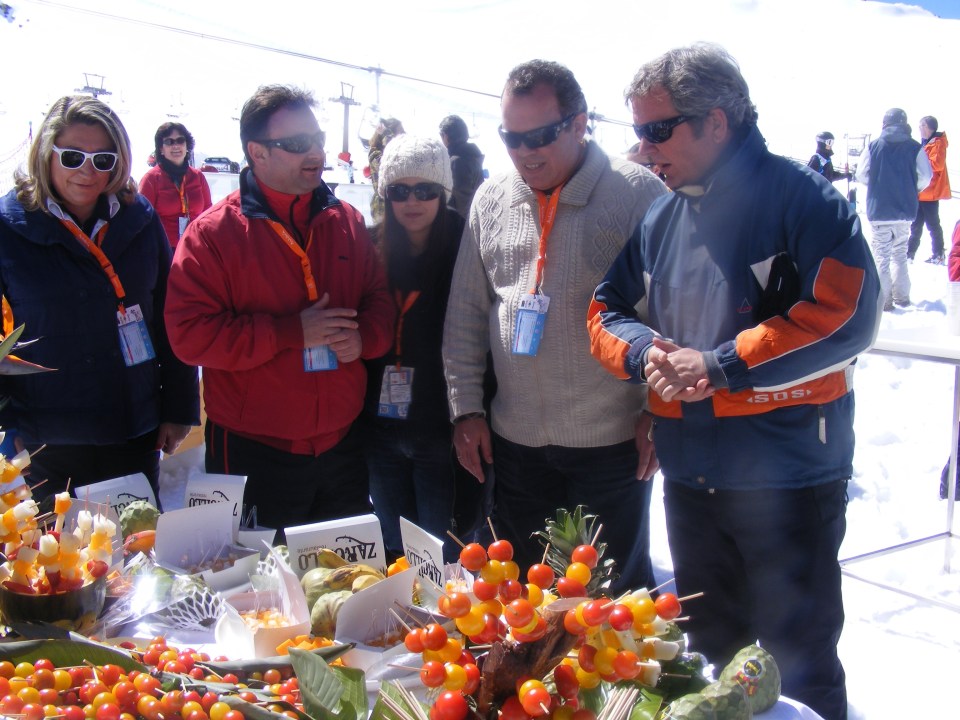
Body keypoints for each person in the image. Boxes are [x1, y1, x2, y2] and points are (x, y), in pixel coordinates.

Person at [587, 43, 881, 720]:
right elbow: (604, 310)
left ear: (716, 122)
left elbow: (847, 316)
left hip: (789, 480)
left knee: (799, 669)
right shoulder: (660, 216)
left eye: (657, 129)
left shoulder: (804, 199)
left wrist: (719, 364)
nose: (643, 148)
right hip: (693, 481)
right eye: (638, 131)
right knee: (711, 665)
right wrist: (645, 353)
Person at [442, 59, 667, 593]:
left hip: (611, 443)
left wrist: (662, 411)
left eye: (540, 135)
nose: (525, 151)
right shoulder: (490, 199)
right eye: (511, 138)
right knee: (527, 597)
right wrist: (466, 409)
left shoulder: (639, 195)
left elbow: (671, 314)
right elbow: (466, 313)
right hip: (516, 444)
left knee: (612, 599)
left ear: (579, 123)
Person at [164, 85, 395, 533]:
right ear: (257, 153)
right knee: (257, 577)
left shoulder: (348, 221)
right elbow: (189, 335)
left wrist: (364, 337)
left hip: (342, 449)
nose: (316, 152)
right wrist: (289, 333)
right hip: (253, 452)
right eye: (297, 143)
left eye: (317, 139)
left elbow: (379, 302)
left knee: (344, 575)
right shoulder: (212, 235)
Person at [0, 95, 199, 501]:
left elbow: (171, 317)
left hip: (132, 428)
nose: (87, 171)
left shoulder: (140, 221)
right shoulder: (8, 228)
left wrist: (179, 408)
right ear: (46, 154)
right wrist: (8, 422)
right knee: (57, 543)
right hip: (45, 440)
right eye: (72, 157)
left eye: (103, 159)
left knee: (138, 539)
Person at [362, 135, 466, 562]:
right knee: (394, 548)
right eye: (399, 191)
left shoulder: (466, 248)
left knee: (444, 552)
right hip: (381, 425)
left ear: (444, 192)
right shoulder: (370, 246)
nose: (412, 201)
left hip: (442, 427)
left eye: (425, 190)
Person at [855, 108, 932, 311]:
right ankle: (902, 297)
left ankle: (884, 301)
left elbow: (861, 173)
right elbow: (926, 176)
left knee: (881, 257)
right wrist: (911, 189)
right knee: (900, 254)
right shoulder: (915, 147)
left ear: (885, 123)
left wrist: (876, 185)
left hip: (880, 211)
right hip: (905, 211)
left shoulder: (873, 146)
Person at [138, 122, 213, 248]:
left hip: (195, 247)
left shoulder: (198, 177)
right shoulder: (151, 179)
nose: (176, 146)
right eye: (169, 142)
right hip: (163, 250)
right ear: (161, 149)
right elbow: (141, 219)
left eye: (180, 140)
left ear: (187, 145)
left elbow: (208, 213)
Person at [907, 115, 950, 264]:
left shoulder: (937, 143)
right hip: (921, 192)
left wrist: (917, 165)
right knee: (916, 225)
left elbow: (937, 165)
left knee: (932, 224)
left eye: (922, 125)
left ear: (929, 128)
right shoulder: (926, 143)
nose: (919, 129)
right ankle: (910, 253)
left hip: (930, 193)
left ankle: (938, 254)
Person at [438, 115, 485, 220]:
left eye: (441, 135)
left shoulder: (458, 162)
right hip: (472, 218)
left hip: (458, 223)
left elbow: (461, 201)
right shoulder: (472, 156)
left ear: (446, 136)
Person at [368, 118, 405, 225]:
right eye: (400, 132)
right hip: (383, 207)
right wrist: (387, 135)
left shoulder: (401, 153)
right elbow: (389, 165)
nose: (403, 135)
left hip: (399, 204)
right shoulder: (375, 153)